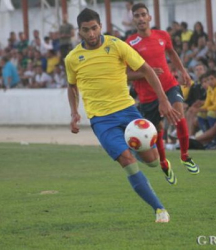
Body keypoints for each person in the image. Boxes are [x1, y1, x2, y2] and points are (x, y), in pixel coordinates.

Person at [65, 8, 180, 223]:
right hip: (102, 120)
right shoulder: (72, 58)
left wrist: (163, 99)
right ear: (79, 31)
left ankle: (142, 152)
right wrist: (74, 113)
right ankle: (159, 209)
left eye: (94, 28)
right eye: (85, 30)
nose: (90, 34)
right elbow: (72, 87)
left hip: (128, 112)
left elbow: (146, 70)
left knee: (152, 161)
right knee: (126, 160)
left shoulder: (116, 45)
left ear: (100, 26)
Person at [126, 3, 200, 186]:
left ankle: (185, 156)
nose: (141, 18)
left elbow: (172, 52)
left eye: (144, 14)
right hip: (148, 95)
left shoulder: (163, 36)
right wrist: (146, 72)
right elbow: (125, 74)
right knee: (157, 130)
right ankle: (164, 163)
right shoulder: (130, 44)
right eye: (137, 16)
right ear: (133, 20)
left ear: (150, 17)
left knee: (178, 111)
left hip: (169, 84)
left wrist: (183, 71)